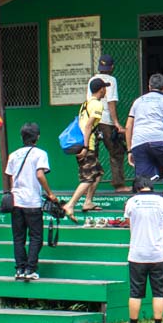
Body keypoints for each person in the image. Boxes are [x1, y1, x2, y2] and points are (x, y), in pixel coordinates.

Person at [2, 122, 56, 281]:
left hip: (16, 201)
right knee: (36, 237)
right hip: (32, 201)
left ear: (22, 137)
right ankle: (30, 269)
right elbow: (40, 174)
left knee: (18, 237)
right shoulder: (40, 154)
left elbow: (11, 177)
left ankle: (20, 268)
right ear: (37, 137)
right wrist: (50, 193)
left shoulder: (13, 155)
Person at [124, 72, 163, 208]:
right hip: (159, 139)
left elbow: (128, 127)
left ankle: (139, 204)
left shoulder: (138, 101)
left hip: (138, 142)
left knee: (143, 178)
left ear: (149, 86)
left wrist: (129, 150)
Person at [123, 174, 163, 323]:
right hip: (159, 253)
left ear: (137, 188)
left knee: (135, 292)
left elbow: (130, 224)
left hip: (137, 254)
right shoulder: (162, 201)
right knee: (159, 291)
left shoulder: (132, 202)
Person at [62, 79, 109, 222]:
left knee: (98, 173)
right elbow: (88, 126)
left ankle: (88, 201)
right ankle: (70, 204)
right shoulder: (97, 104)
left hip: (84, 144)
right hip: (87, 145)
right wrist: (86, 147)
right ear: (101, 89)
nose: (106, 91)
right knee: (88, 177)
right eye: (105, 88)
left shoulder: (86, 103)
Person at [88, 55, 130, 193]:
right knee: (116, 151)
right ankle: (119, 185)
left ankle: (88, 187)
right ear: (112, 67)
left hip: (92, 120)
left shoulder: (92, 80)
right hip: (106, 121)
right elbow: (111, 102)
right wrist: (116, 122)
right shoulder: (111, 80)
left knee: (93, 154)